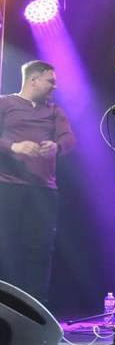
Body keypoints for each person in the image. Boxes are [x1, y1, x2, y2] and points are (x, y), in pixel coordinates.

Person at [0, 60, 76, 305]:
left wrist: (57, 146)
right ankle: (7, 309)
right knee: (7, 248)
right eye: (50, 81)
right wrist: (13, 146)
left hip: (43, 190)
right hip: (8, 187)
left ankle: (36, 311)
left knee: (40, 250)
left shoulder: (54, 111)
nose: (55, 86)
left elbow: (69, 139)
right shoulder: (5, 103)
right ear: (33, 79)